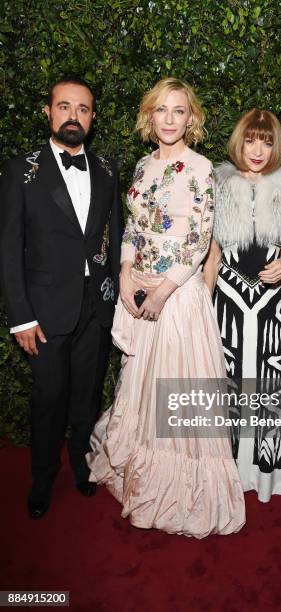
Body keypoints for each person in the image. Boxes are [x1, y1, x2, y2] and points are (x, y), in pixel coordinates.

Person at [87, 77, 245, 538]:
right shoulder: (141, 166)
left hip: (178, 297)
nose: (170, 119)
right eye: (162, 110)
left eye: (179, 111)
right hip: (139, 287)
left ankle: (185, 490)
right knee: (141, 387)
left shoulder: (199, 169)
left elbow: (199, 238)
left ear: (190, 119)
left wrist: (161, 292)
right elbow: (134, 228)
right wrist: (125, 273)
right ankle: (141, 474)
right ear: (149, 116)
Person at [0, 76, 123, 519]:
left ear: (92, 117)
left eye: (84, 109)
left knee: (86, 397)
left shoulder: (107, 170)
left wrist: (116, 303)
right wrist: (21, 318)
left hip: (96, 306)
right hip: (46, 312)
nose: (74, 116)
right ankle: (42, 475)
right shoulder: (21, 170)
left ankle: (80, 465)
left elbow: (116, 237)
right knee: (49, 398)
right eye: (65, 107)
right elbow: (9, 250)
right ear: (49, 112)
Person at [203, 109, 281, 502]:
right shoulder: (216, 182)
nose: (258, 149)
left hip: (270, 303)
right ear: (239, 141)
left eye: (266, 141)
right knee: (226, 383)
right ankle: (225, 471)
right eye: (251, 140)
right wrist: (203, 304)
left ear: (275, 145)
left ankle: (266, 474)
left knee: (269, 384)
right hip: (228, 300)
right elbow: (211, 255)